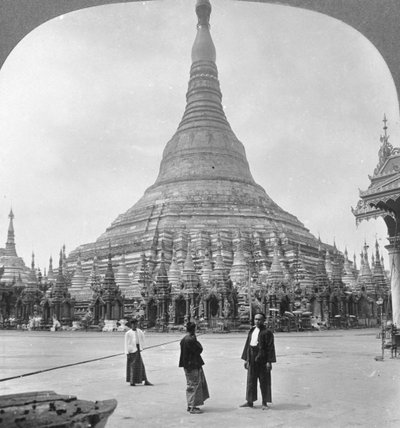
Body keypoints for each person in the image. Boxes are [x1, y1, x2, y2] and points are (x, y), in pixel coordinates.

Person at [240, 312, 276, 410]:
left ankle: (264, 402)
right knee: (251, 380)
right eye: (256, 319)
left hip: (262, 358)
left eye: (259, 319)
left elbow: (270, 347)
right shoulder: (252, 330)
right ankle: (250, 401)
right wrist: (246, 359)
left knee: (264, 381)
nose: (257, 321)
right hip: (252, 357)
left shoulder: (267, 332)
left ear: (264, 321)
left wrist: (269, 361)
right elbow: (248, 345)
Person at [179, 322, 210, 414]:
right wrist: (195, 339)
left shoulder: (184, 339)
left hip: (187, 365)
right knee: (194, 385)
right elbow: (199, 349)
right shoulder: (190, 340)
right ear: (193, 329)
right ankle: (192, 407)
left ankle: (190, 405)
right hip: (192, 365)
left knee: (190, 385)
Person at [124, 318, 153, 386]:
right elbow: (126, 343)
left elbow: (142, 338)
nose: (134, 325)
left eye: (136, 324)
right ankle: (132, 381)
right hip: (131, 350)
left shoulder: (139, 331)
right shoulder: (128, 333)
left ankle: (145, 380)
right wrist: (127, 353)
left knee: (140, 365)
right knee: (132, 366)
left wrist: (142, 347)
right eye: (133, 324)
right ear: (131, 325)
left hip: (137, 349)